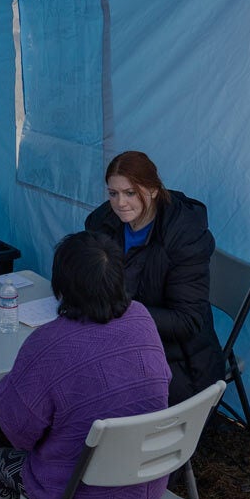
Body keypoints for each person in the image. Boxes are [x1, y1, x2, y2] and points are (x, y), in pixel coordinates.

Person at [0, 231, 172, 499]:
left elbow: (17, 433)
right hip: (148, 485)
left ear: (62, 287)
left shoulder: (49, 344)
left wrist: (14, 383)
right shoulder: (142, 319)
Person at [83, 151, 219, 404]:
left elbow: (187, 321)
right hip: (118, 334)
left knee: (94, 388)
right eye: (113, 193)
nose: (120, 202)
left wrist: (118, 309)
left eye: (131, 193)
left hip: (178, 357)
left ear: (153, 190)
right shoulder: (105, 221)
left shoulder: (184, 235)